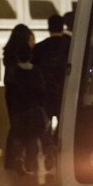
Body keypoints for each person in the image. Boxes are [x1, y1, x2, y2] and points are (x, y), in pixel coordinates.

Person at [32, 14, 69, 168]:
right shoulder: (70, 44)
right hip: (65, 92)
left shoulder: (40, 47)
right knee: (64, 123)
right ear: (63, 27)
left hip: (44, 92)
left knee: (44, 123)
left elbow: (34, 69)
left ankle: (48, 147)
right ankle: (60, 151)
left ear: (48, 28)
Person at [6, 44, 48, 174]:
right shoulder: (36, 71)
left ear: (17, 57)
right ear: (30, 56)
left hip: (18, 110)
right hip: (33, 109)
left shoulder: (13, 71)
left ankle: (19, 159)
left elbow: (9, 93)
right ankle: (31, 165)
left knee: (18, 136)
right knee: (32, 137)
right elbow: (41, 91)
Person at [2, 24, 35, 171]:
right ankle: (27, 160)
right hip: (26, 96)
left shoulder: (8, 54)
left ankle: (11, 160)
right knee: (28, 127)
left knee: (14, 126)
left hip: (12, 95)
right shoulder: (26, 58)